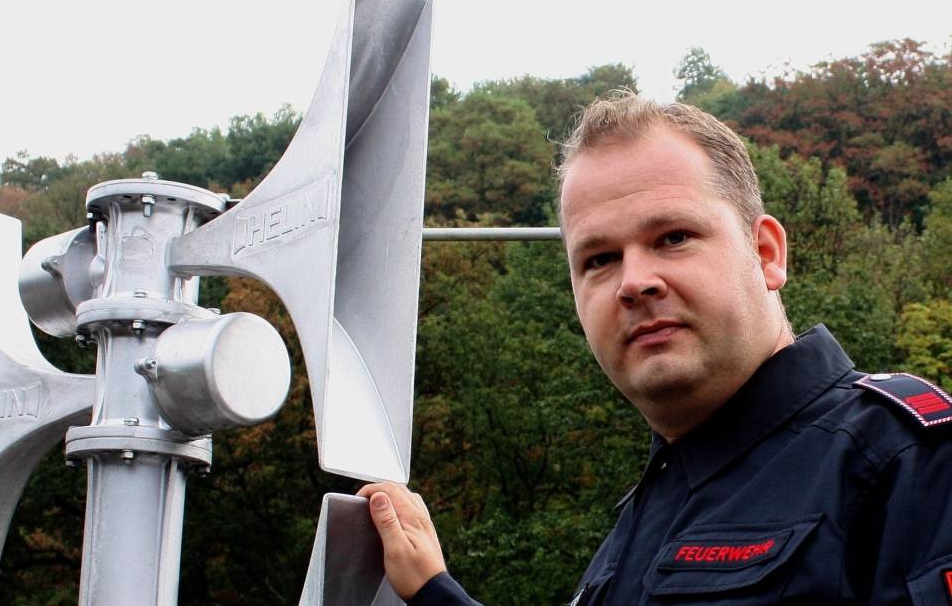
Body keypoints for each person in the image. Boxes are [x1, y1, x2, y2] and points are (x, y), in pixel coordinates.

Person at [359, 91, 952, 605]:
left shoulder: (902, 461)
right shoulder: (652, 508)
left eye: (673, 237)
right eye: (599, 259)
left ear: (767, 254)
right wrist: (434, 590)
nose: (633, 282)